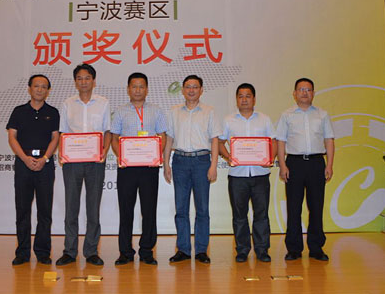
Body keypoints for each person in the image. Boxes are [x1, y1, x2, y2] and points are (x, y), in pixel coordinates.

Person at [55, 63, 111, 266]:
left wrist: (104, 152)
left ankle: (91, 251)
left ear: (93, 81)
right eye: (79, 78)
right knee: (71, 207)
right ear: (75, 82)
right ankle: (69, 251)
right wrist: (62, 153)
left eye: (87, 78)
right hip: (72, 162)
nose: (84, 82)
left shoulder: (103, 103)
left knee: (93, 208)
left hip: (95, 161)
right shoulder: (68, 104)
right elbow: (62, 132)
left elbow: (107, 131)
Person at [110, 72, 167, 266]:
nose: (137, 90)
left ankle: (147, 251)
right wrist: (122, 156)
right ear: (128, 89)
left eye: (141, 86)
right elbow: (114, 138)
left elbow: (162, 136)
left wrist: (156, 154)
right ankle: (125, 252)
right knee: (126, 210)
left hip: (149, 167)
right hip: (127, 168)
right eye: (134, 86)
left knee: (149, 210)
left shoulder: (156, 111)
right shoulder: (120, 112)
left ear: (147, 89)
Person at [163, 75, 221, 264]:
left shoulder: (209, 111)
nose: (191, 90)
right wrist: (166, 163)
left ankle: (202, 250)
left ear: (201, 90)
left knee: (202, 209)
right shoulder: (174, 112)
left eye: (195, 87)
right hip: (180, 161)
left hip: (202, 161)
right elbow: (169, 139)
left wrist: (213, 165)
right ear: (182, 90)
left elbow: (215, 140)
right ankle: (183, 249)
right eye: (188, 87)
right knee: (181, 208)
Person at [276, 78, 335, 262]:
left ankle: (316, 248)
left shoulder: (322, 115)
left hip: (317, 163)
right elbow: (280, 141)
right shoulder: (286, 115)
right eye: (301, 89)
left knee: (316, 207)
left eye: (308, 90)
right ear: (294, 94)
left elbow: (329, 140)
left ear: (313, 93)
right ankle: (294, 248)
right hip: (294, 163)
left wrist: (329, 164)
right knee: (294, 207)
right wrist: (282, 165)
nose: (304, 93)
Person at [218, 83, 276, 263]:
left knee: (261, 214)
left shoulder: (264, 119)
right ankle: (242, 250)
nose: (244, 99)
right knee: (239, 215)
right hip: (237, 175)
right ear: (236, 99)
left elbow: (274, 142)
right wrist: (229, 157)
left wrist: (270, 158)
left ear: (254, 99)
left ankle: (262, 250)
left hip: (260, 174)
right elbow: (219, 143)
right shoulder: (228, 120)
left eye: (248, 96)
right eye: (241, 96)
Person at [6, 74, 60, 266]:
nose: (40, 89)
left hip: (45, 165)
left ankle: (43, 252)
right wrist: (25, 158)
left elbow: (55, 138)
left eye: (44, 87)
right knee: (22, 209)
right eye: (36, 86)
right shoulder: (19, 111)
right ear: (29, 88)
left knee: (45, 210)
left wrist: (44, 159)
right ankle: (22, 252)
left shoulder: (53, 112)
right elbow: (12, 137)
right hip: (24, 164)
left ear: (48, 91)